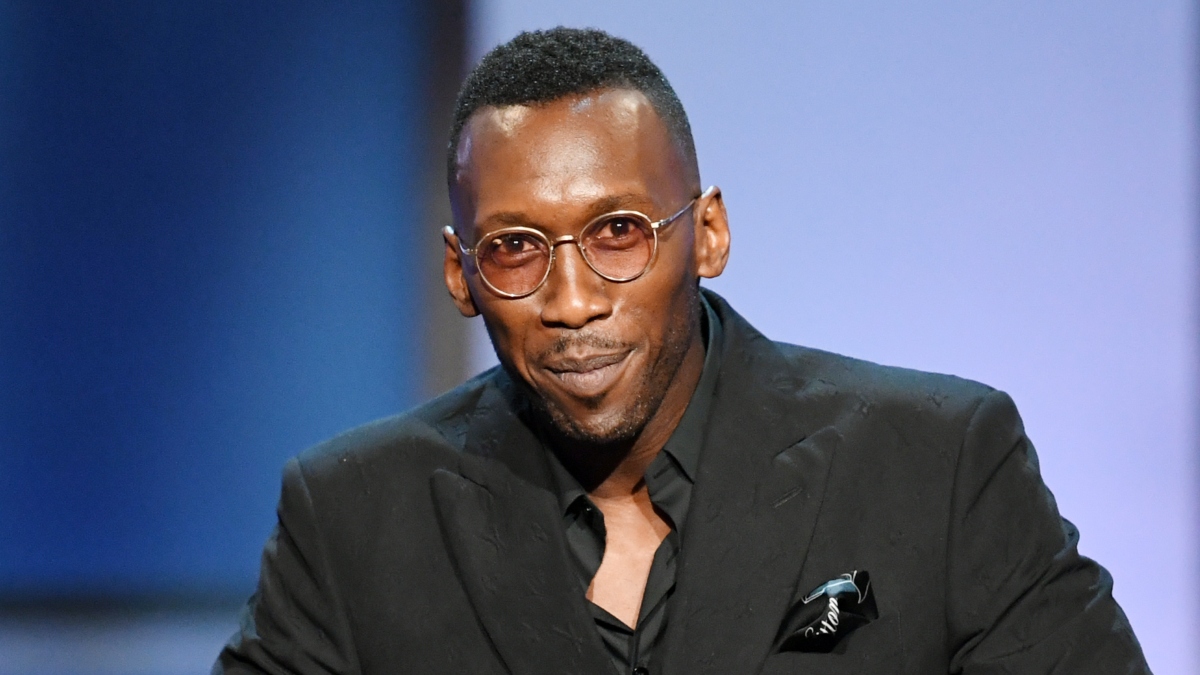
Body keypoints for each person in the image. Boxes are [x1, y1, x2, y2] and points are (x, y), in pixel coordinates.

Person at [214, 27, 1149, 675]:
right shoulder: (353, 516)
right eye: (515, 248)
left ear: (706, 233)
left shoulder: (938, 464)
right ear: (460, 276)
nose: (572, 302)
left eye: (618, 232)